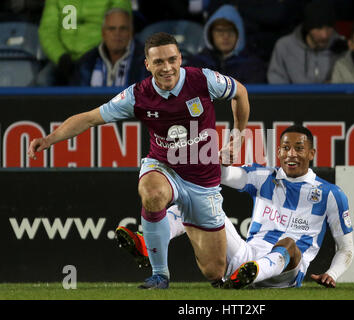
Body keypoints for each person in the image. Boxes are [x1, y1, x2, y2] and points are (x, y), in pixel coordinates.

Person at [28, 32, 250, 289]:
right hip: (163, 167)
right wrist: (50, 139)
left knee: (214, 271)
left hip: (203, 181)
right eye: (158, 62)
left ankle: (173, 223)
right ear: (147, 64)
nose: (166, 68)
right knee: (152, 193)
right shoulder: (138, 95)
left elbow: (240, 93)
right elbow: (89, 118)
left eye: (171, 60)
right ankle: (159, 275)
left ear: (180, 59)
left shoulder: (204, 79)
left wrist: (237, 136)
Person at [117, 125, 354, 289]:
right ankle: (148, 244)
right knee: (194, 200)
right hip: (244, 257)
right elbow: (224, 175)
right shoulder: (264, 176)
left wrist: (331, 274)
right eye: (285, 148)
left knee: (289, 245)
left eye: (299, 148)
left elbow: (346, 248)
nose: (291, 154)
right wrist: (219, 160)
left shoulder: (331, 194)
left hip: (286, 272)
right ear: (279, 151)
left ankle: (251, 274)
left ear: (312, 153)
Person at [37, 0, 132, 85]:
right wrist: (60, 57)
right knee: (43, 80)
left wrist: (95, 54)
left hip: (99, 56)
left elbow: (120, 25)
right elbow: (47, 31)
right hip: (63, 59)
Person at [267, 0, 347, 84]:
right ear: (308, 28)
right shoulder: (284, 46)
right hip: (293, 97)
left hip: (333, 97)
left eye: (329, 28)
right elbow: (276, 81)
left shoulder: (342, 46)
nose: (325, 35)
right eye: (318, 28)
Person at [186, 4, 267, 84]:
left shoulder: (253, 66)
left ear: (239, 34)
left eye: (230, 30)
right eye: (219, 30)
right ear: (210, 34)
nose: (225, 36)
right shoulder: (196, 64)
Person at [72, 8, 149, 87]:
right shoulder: (86, 62)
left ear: (131, 32)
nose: (117, 33)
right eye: (112, 29)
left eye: (123, 29)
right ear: (103, 33)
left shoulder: (148, 62)